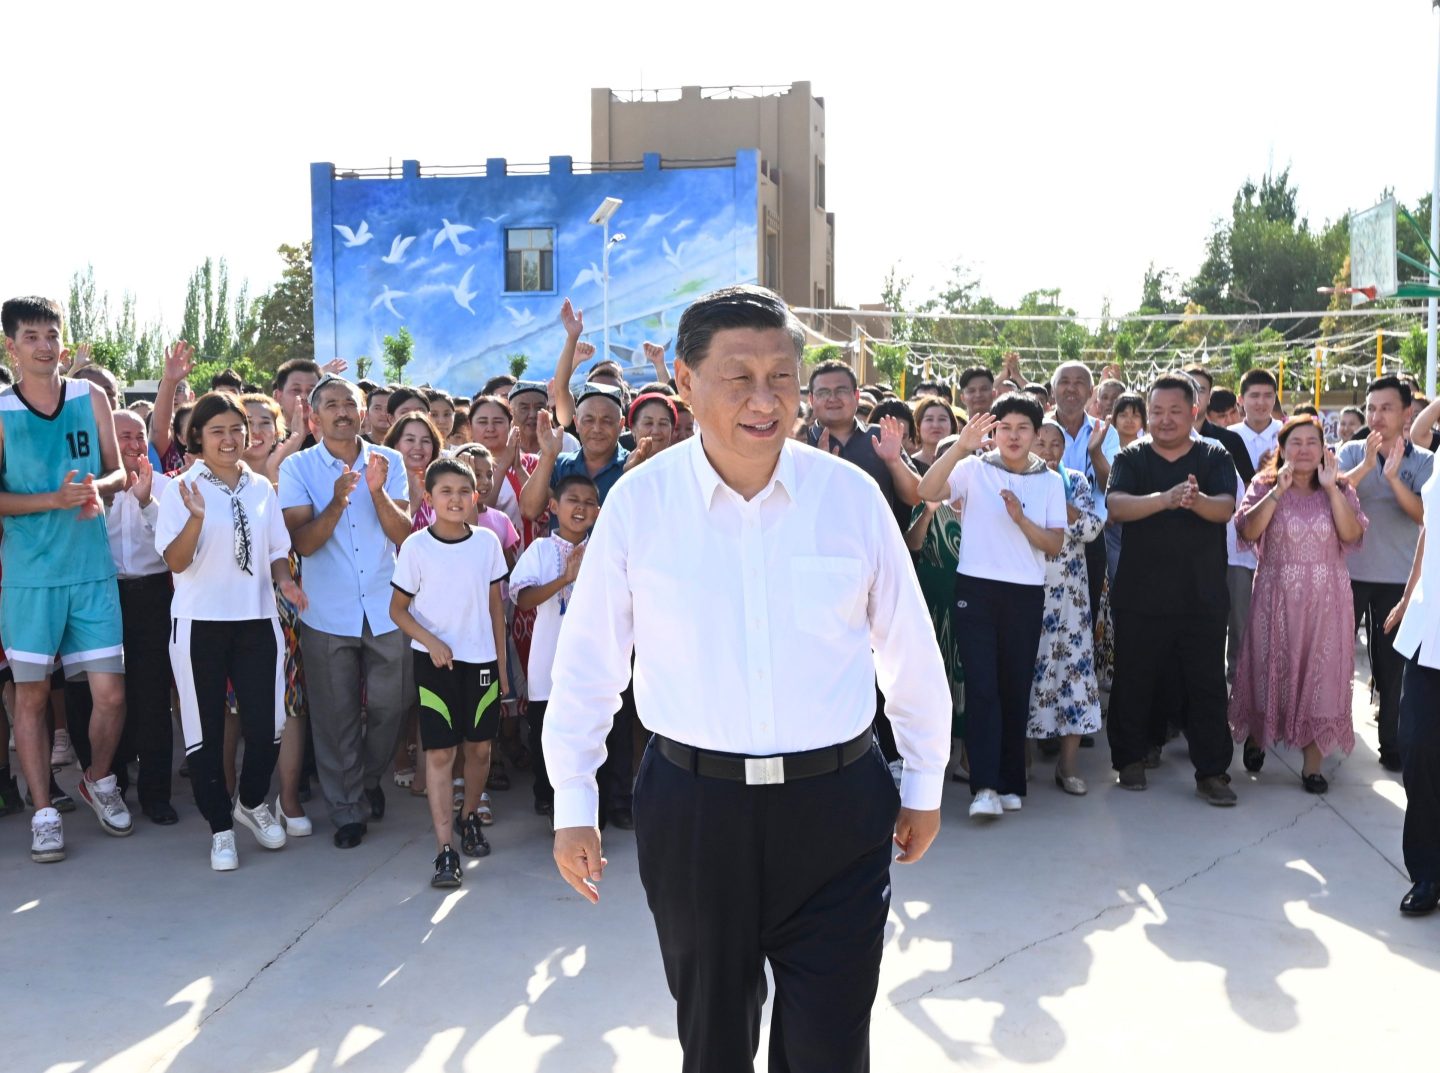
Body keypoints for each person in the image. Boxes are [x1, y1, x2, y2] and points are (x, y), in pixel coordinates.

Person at [543, 285, 949, 1073]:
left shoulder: (850, 498)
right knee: (715, 1043)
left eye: (781, 377)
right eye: (739, 377)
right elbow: (589, 664)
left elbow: (908, 649)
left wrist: (925, 780)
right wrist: (574, 803)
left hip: (837, 810)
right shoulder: (641, 505)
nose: (765, 400)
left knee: (831, 1048)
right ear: (685, 382)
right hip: (697, 812)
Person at [1, 296, 131, 863]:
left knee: (111, 693)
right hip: (30, 579)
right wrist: (51, 500)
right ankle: (44, 813)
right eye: (31, 336)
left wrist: (98, 488)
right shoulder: (1, 410)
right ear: (12, 346)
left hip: (91, 572)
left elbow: (119, 470)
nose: (44, 346)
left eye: (51, 334)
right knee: (31, 698)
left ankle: (98, 778)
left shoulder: (89, 395)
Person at [157, 392, 306, 870]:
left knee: (269, 728)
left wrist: (285, 582)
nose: (229, 438)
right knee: (204, 731)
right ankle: (221, 827)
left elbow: (277, 549)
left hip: (257, 620)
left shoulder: (261, 488)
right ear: (197, 438)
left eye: (236, 429)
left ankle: (251, 801)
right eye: (217, 430)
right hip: (200, 623)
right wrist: (196, 519)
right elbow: (176, 561)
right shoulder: (181, 488)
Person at [279, 375, 412, 849]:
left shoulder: (389, 460)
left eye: (349, 404)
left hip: (385, 605)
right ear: (314, 417)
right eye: (331, 405)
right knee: (335, 718)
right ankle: (347, 809)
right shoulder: (297, 467)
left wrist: (375, 492)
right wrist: (337, 501)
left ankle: (367, 780)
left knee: (393, 705)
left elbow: (404, 534)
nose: (341, 412)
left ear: (363, 412)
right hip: (327, 610)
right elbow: (302, 543)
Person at [917, 395, 1066, 818]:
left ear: (1037, 433)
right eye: (1005, 428)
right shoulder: (972, 468)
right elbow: (927, 490)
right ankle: (984, 787)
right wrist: (959, 448)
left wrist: (1021, 519)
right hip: (976, 589)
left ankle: (1010, 783)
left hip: (1025, 593)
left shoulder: (1050, 481)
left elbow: (1054, 544)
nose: (1013, 436)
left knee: (1014, 687)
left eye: (1023, 428)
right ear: (993, 432)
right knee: (982, 687)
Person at [1106, 374, 1239, 805]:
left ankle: (1212, 771)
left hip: (1201, 595)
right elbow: (1116, 505)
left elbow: (1226, 508)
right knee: (1134, 678)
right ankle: (1129, 759)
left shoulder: (1213, 455)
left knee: (1205, 684)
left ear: (1194, 412)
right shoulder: (1131, 457)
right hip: (1140, 595)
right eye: (1157, 411)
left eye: (1175, 411)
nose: (1164, 420)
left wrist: (1195, 500)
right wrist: (1164, 499)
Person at [1228, 416, 1367, 792]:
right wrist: (1278, 490)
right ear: (1282, 448)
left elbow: (1351, 533)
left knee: (1321, 675)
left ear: (1324, 449)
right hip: (1275, 596)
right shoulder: (1264, 484)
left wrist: (1332, 489)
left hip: (1327, 599)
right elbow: (1248, 531)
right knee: (1269, 667)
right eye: (1296, 442)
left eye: (1312, 442)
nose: (1304, 449)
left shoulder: (1340, 486)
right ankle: (1257, 736)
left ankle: (1313, 765)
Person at [390, 458, 510, 886]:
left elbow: (495, 609)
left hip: (481, 664)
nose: (455, 499)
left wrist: (502, 667)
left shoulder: (487, 543)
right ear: (429, 498)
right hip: (435, 664)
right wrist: (432, 641)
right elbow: (398, 610)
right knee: (440, 753)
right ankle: (445, 850)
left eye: (464, 491)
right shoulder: (415, 547)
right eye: (446, 491)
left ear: (475, 496)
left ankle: (469, 815)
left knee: (479, 749)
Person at [1338, 375, 1434, 771]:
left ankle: (1391, 745)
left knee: (1391, 668)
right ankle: (1328, 733)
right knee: (1337, 658)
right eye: (1372, 408)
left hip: (1399, 579)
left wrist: (1394, 478)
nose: (1377, 416)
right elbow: (1334, 494)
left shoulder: (1425, 461)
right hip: (1348, 574)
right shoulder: (1349, 451)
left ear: (1407, 413)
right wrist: (1366, 466)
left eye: (1387, 408)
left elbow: (1425, 516)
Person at [510, 474, 600, 818]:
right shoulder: (542, 549)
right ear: (553, 506)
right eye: (573, 500)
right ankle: (547, 797)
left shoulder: (602, 550)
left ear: (598, 511)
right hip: (547, 659)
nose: (581, 507)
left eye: (589, 502)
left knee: (590, 733)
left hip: (591, 661)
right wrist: (565, 578)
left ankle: (591, 803)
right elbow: (523, 600)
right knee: (545, 732)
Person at [1029, 421, 1104, 795]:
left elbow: (1091, 528)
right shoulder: (1016, 480)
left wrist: (1062, 505)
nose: (1047, 450)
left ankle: (1068, 765)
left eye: (1055, 443)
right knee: (1026, 675)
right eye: (1040, 443)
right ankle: (1021, 762)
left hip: (1071, 600)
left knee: (1074, 676)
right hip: (1028, 593)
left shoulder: (1075, 481)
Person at [1384, 464, 1440, 914]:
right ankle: (1426, 873)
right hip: (1428, 629)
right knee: (1418, 748)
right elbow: (1429, 527)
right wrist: (1408, 595)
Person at [806, 358, 922, 533]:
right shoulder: (800, 442)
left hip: (875, 544)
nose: (832, 398)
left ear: (856, 396)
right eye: (823, 392)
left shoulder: (880, 436)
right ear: (811, 399)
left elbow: (915, 497)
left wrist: (894, 461)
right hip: (817, 545)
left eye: (841, 390)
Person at [1050, 361, 1119, 625]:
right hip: (1045, 534)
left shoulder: (1105, 432)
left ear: (1091, 392)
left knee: (1086, 614)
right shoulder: (1038, 429)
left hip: (1092, 536)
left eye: (1079, 383)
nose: (1071, 388)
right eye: (1064, 382)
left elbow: (1110, 487)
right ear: (1053, 389)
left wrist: (1095, 452)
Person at [911, 396, 960, 475]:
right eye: (929, 419)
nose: (935, 425)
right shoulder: (909, 466)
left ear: (952, 425)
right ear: (918, 425)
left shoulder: (963, 463)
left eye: (942, 419)